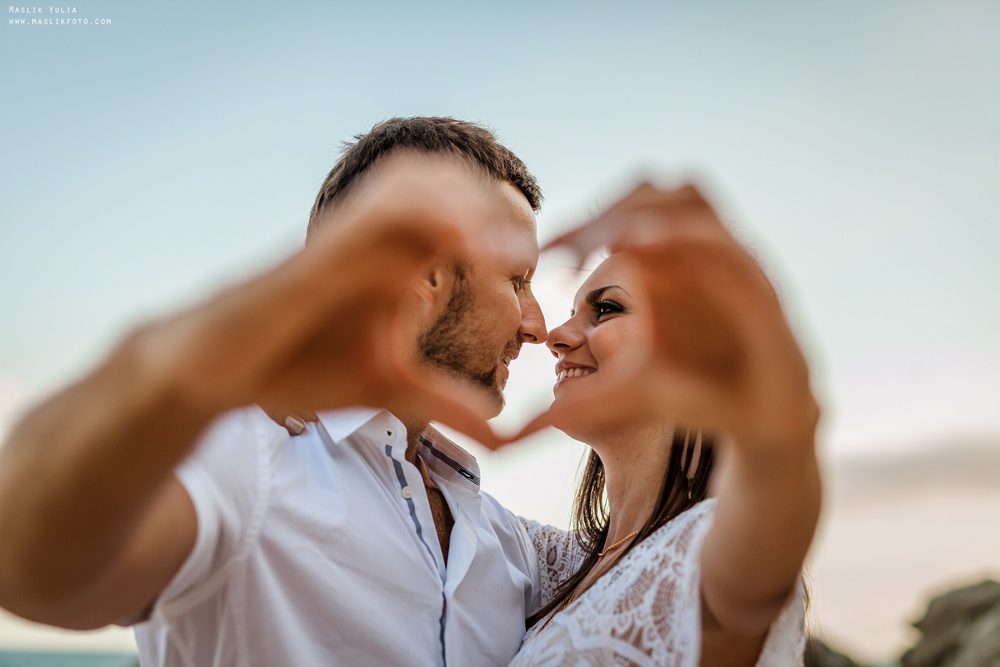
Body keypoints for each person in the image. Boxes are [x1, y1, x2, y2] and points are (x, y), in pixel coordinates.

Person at [0, 117, 555, 665]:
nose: (538, 325)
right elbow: (25, 567)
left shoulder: (508, 543)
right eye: (517, 280)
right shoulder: (244, 454)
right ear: (424, 272)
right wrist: (198, 364)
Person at [503, 184, 821, 666]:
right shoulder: (554, 564)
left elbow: (779, 456)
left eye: (605, 309)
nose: (558, 336)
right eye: (571, 313)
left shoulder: (716, 548)